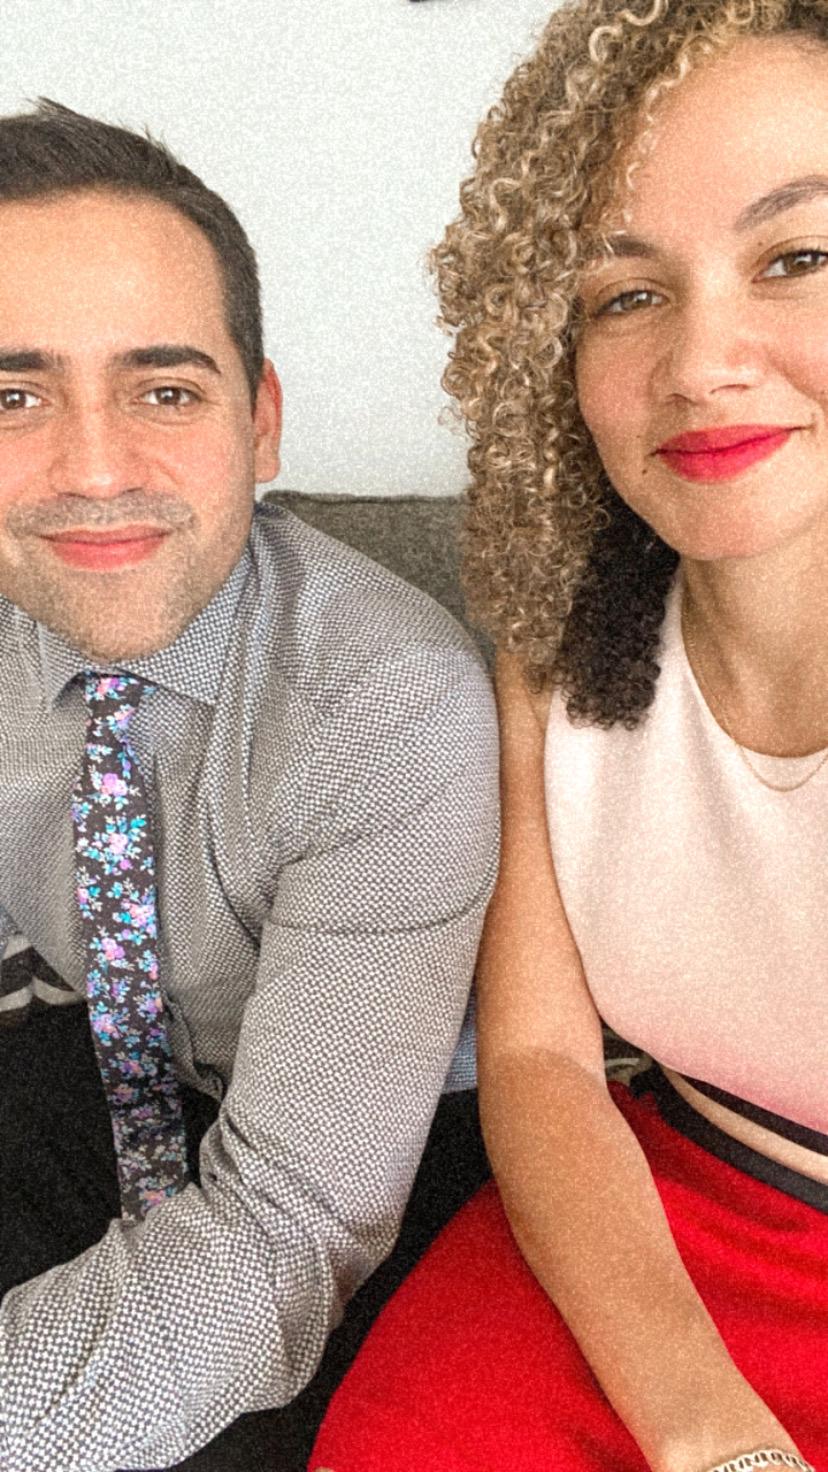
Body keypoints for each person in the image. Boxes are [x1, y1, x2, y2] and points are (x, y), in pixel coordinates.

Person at [310, 3, 828, 1470]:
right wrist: (707, 1432)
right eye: (624, 294)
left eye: (797, 259)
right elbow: (540, 1064)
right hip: (653, 1218)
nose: (701, 363)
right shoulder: (549, 661)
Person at [0, 101, 499, 1472]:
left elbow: (292, 1228)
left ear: (261, 422)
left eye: (165, 390)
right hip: (97, 1069)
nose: (95, 470)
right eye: (13, 398)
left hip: (379, 1164)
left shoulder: (387, 700)